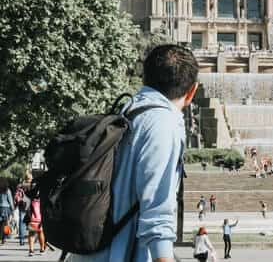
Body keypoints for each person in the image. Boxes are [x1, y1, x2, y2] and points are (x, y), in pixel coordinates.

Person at [68, 44, 199, 262]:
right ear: (192, 91)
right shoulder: (164, 123)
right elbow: (157, 212)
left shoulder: (127, 109)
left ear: (144, 78)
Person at [26, 189, 45, 256]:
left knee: (31, 234)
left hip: (32, 218)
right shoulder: (43, 198)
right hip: (40, 218)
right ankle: (42, 249)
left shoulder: (30, 198)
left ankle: (31, 250)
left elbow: (26, 207)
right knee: (40, 233)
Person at [0, 178, 13, 245]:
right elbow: (10, 201)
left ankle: (1, 238)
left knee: (0, 224)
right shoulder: (7, 190)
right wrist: (12, 210)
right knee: (4, 224)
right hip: (6, 208)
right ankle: (3, 239)